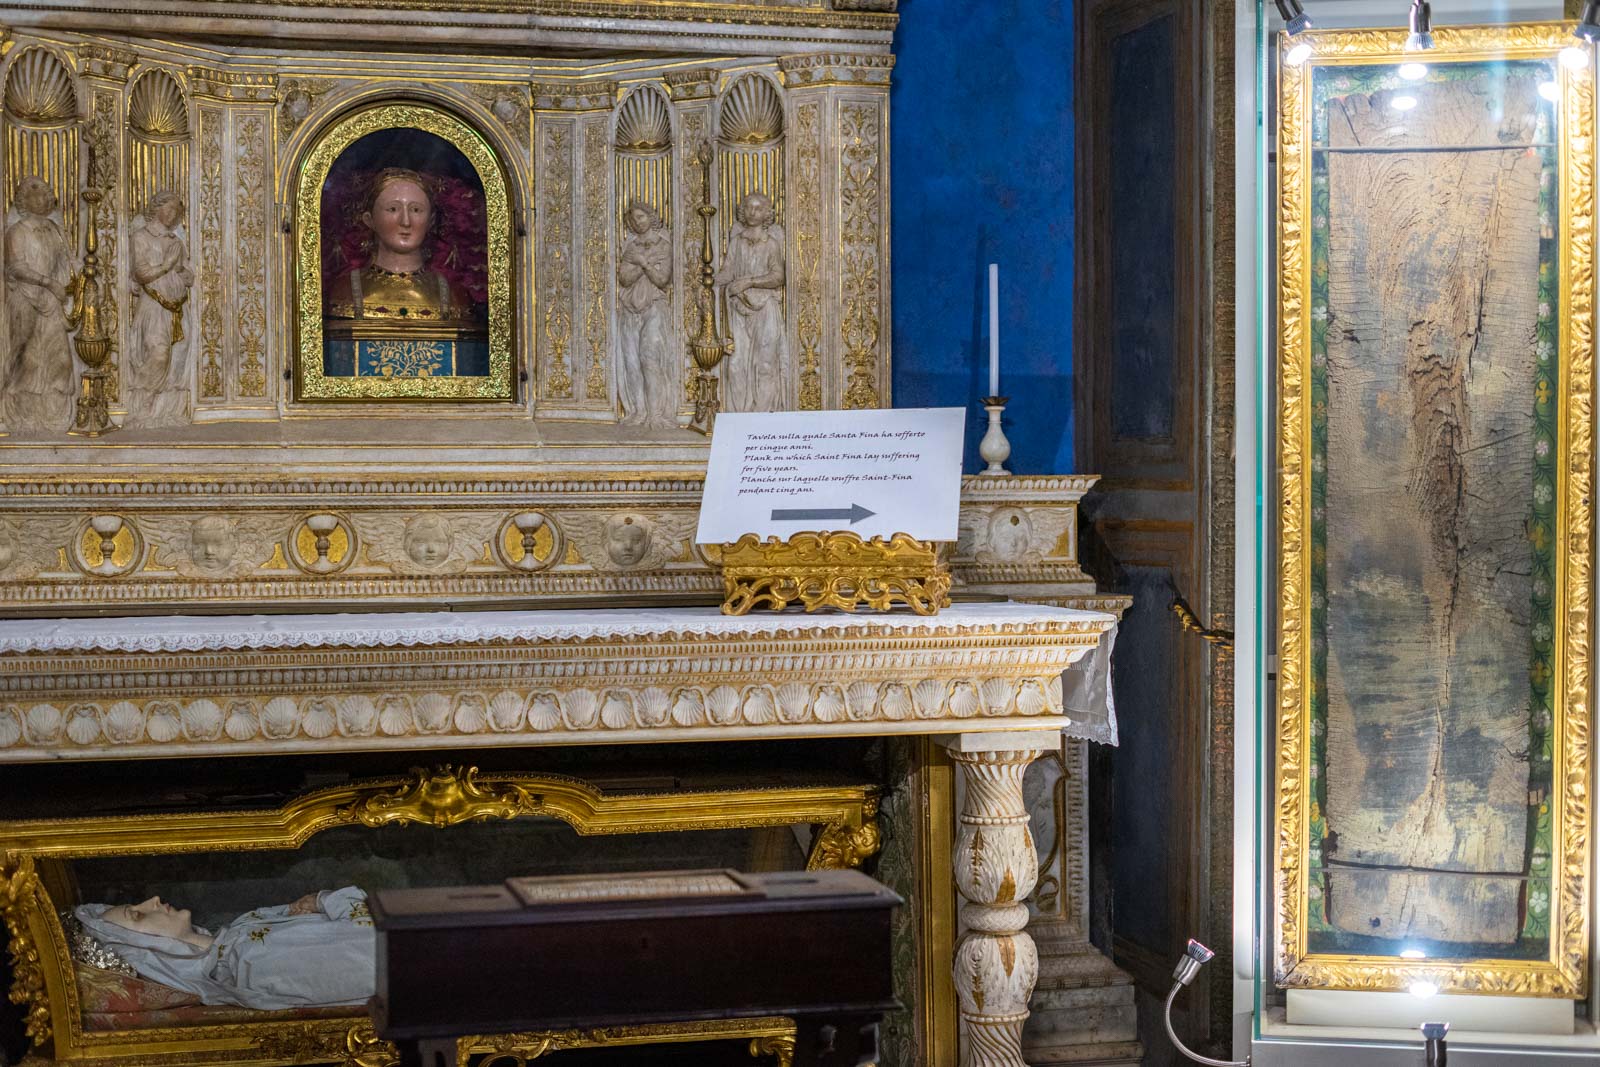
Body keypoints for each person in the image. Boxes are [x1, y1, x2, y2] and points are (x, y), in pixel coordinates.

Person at [74, 888, 375, 1011]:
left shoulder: (238, 933)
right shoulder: (251, 965)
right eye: (136, 914)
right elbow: (378, 951)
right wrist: (325, 898)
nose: (152, 900)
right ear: (146, 950)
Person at [326, 168, 473, 325]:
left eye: (416, 210)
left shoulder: (452, 296)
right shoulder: (345, 291)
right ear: (369, 219)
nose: (406, 222)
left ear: (430, 221)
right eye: (393, 209)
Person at [4, 176, 75, 432]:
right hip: (26, 300)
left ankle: (53, 414)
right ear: (24, 200)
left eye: (47, 194)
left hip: (52, 302)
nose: (44, 198)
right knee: (28, 359)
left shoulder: (54, 230)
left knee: (60, 359)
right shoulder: (17, 231)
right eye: (37, 194)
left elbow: (67, 261)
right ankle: (25, 416)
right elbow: (17, 267)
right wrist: (47, 282)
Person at [127, 190, 194, 427]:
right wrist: (166, 266)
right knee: (158, 354)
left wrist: (183, 273)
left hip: (178, 309)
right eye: (170, 208)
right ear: (157, 207)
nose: (173, 214)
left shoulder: (177, 242)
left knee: (177, 359)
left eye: (177, 211)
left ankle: (167, 411)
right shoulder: (141, 237)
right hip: (154, 307)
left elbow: (188, 274)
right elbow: (142, 273)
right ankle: (141, 408)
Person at [715, 192, 786, 413]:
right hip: (739, 308)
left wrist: (748, 282)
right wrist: (711, 282)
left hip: (765, 308)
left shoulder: (771, 243)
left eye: (758, 208)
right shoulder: (737, 242)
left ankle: (762, 417)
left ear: (767, 213)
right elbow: (728, 271)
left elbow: (778, 277)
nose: (752, 212)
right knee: (736, 365)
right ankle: (739, 417)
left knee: (765, 364)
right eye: (748, 208)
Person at [615, 201, 674, 426]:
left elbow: (662, 279)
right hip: (631, 308)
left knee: (650, 358)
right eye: (633, 219)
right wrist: (645, 264)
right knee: (631, 361)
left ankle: (656, 413)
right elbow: (624, 278)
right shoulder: (631, 247)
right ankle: (638, 411)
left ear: (651, 216)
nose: (637, 222)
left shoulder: (663, 245)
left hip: (654, 306)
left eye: (641, 216)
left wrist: (641, 264)